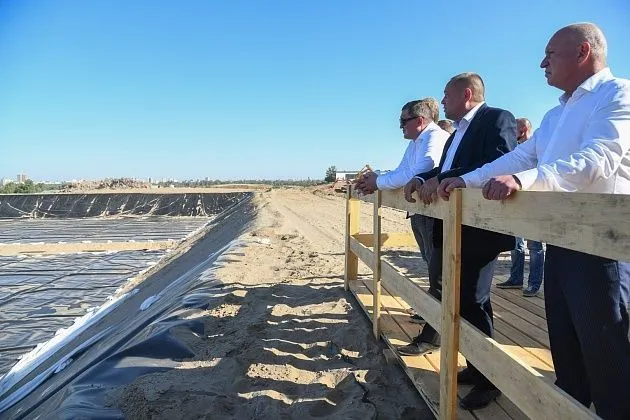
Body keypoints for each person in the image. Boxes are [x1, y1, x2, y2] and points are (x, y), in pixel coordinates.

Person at [438, 23, 630, 419]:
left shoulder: (618, 94)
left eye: (550, 54)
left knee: (609, 362)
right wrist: (467, 179)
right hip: (559, 239)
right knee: (568, 358)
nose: (542, 63)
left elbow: (598, 159)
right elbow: (520, 157)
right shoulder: (557, 113)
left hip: (601, 250)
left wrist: (524, 181)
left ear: (582, 52)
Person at [400, 72, 517, 410]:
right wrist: (422, 178)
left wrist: (444, 178)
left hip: (481, 231)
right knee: (459, 301)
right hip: (454, 228)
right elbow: (445, 168)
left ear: (466, 94)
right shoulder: (456, 134)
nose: (442, 101)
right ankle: (476, 367)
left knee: (474, 302)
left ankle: (489, 381)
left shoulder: (497, 119)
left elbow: (499, 162)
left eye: (447, 95)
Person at [354, 99, 449, 269]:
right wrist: (376, 178)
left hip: (433, 212)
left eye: (403, 121)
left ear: (419, 121)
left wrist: (378, 182)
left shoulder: (435, 136)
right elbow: (401, 171)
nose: (400, 126)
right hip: (420, 210)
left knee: (438, 267)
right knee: (431, 263)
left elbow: (422, 170)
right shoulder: (416, 142)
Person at [495, 118, 545, 296]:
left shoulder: (538, 150)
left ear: (523, 130)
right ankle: (516, 279)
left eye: (515, 128)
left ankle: (534, 284)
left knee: (534, 247)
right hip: (516, 204)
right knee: (516, 245)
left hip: (534, 205)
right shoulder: (516, 151)